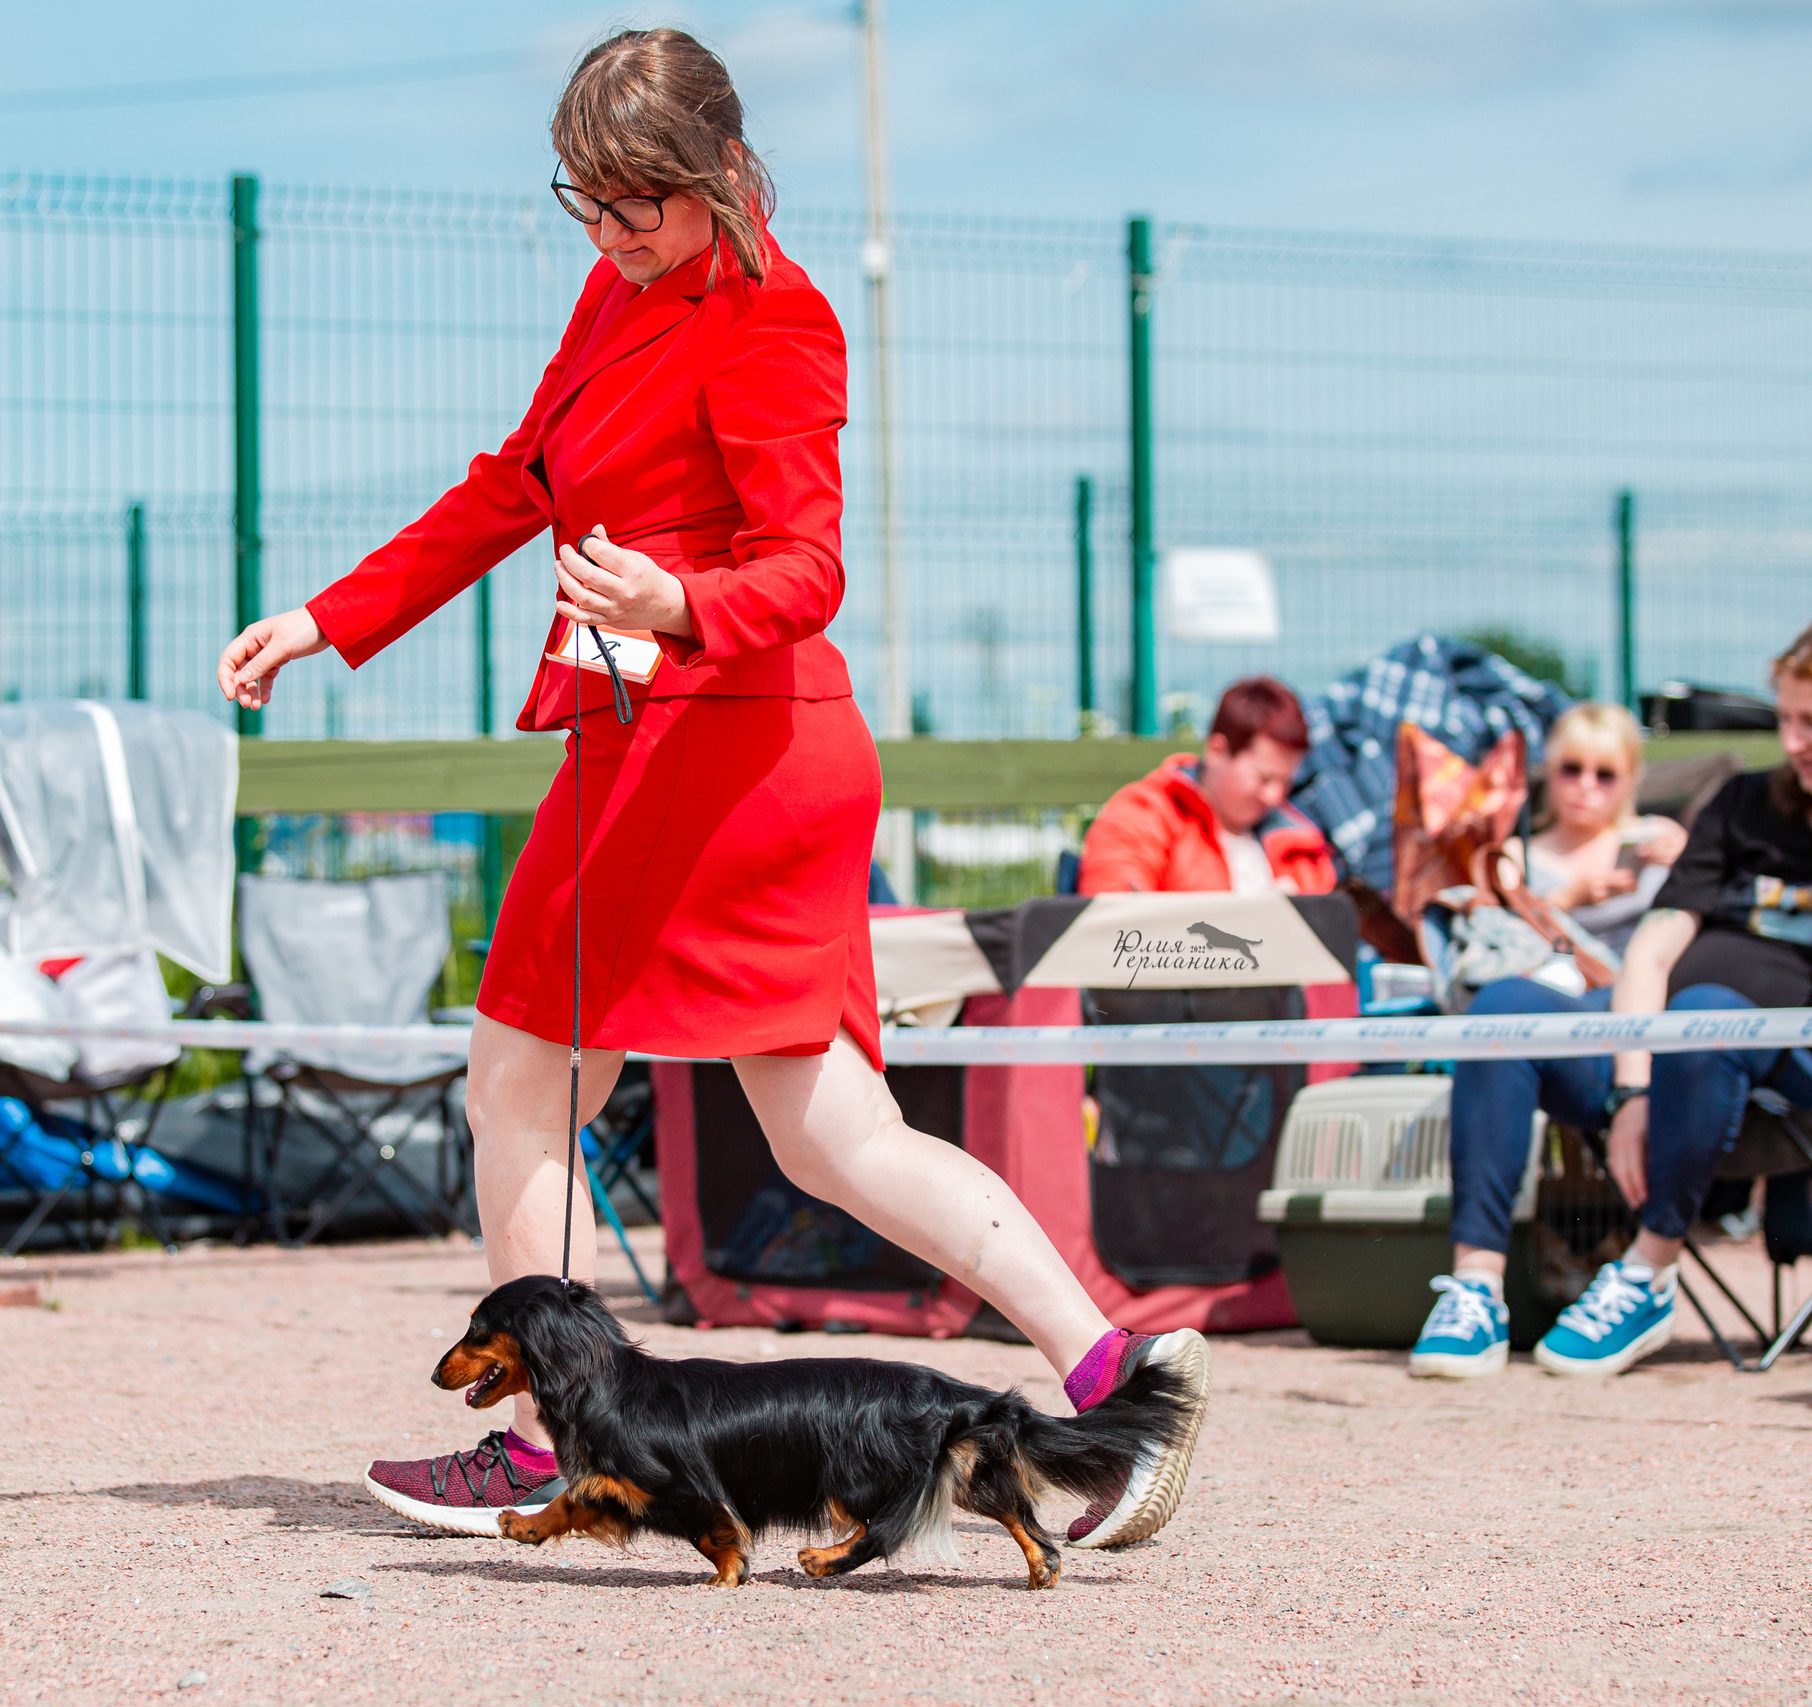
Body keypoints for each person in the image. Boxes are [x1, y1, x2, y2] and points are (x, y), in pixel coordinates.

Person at [216, 28, 1205, 1549]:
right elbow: (517, 482)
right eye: (589, 203)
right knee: (830, 1136)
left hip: (707, 747)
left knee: (520, 1074)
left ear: (727, 169)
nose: (613, 234)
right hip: (706, 747)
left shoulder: (777, 319)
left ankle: (546, 1448)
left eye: (643, 203)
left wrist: (677, 603)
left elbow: (808, 567)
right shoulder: (620, 290)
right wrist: (328, 617)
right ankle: (1116, 1378)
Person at [1407, 613, 1812, 1379]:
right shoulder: (1744, 804)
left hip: (1805, 1077)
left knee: (1707, 1010)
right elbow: (1650, 951)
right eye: (1786, 718)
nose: (1795, 742)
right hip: (1661, 1052)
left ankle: (1648, 1271)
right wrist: (1634, 1090)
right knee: (1507, 1005)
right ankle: (1476, 1290)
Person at [1076, 675, 1337, 896]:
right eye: (1263, 778)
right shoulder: (1146, 814)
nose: (1274, 795)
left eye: (1286, 781)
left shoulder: (1300, 844)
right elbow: (1113, 911)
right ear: (1217, 751)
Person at [1508, 703, 1687, 956]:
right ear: (1549, 769)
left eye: (1605, 774)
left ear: (1631, 778)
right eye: (1572, 769)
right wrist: (1567, 900)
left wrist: (1690, 865)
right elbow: (1501, 936)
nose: (1586, 785)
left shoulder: (1661, 835)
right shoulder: (1515, 857)